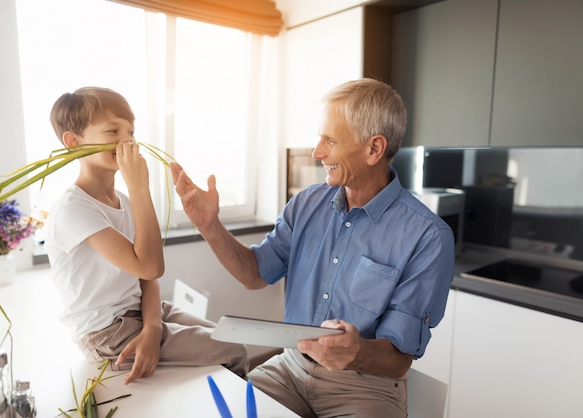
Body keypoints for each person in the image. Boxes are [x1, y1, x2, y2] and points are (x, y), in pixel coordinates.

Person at [171, 78, 455, 417]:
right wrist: (209, 225)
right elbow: (254, 274)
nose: (317, 152)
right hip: (289, 369)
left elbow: (398, 360)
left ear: (373, 149)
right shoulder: (306, 203)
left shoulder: (428, 236)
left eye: (330, 141)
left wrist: (355, 351)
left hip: (364, 386)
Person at [45, 87, 248, 385]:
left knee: (229, 335)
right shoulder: (73, 209)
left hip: (141, 311)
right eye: (113, 131)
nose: (127, 140)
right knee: (235, 350)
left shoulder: (124, 200)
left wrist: (152, 327)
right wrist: (140, 187)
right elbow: (151, 265)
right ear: (74, 143)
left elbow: (147, 279)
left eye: (131, 131)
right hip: (108, 331)